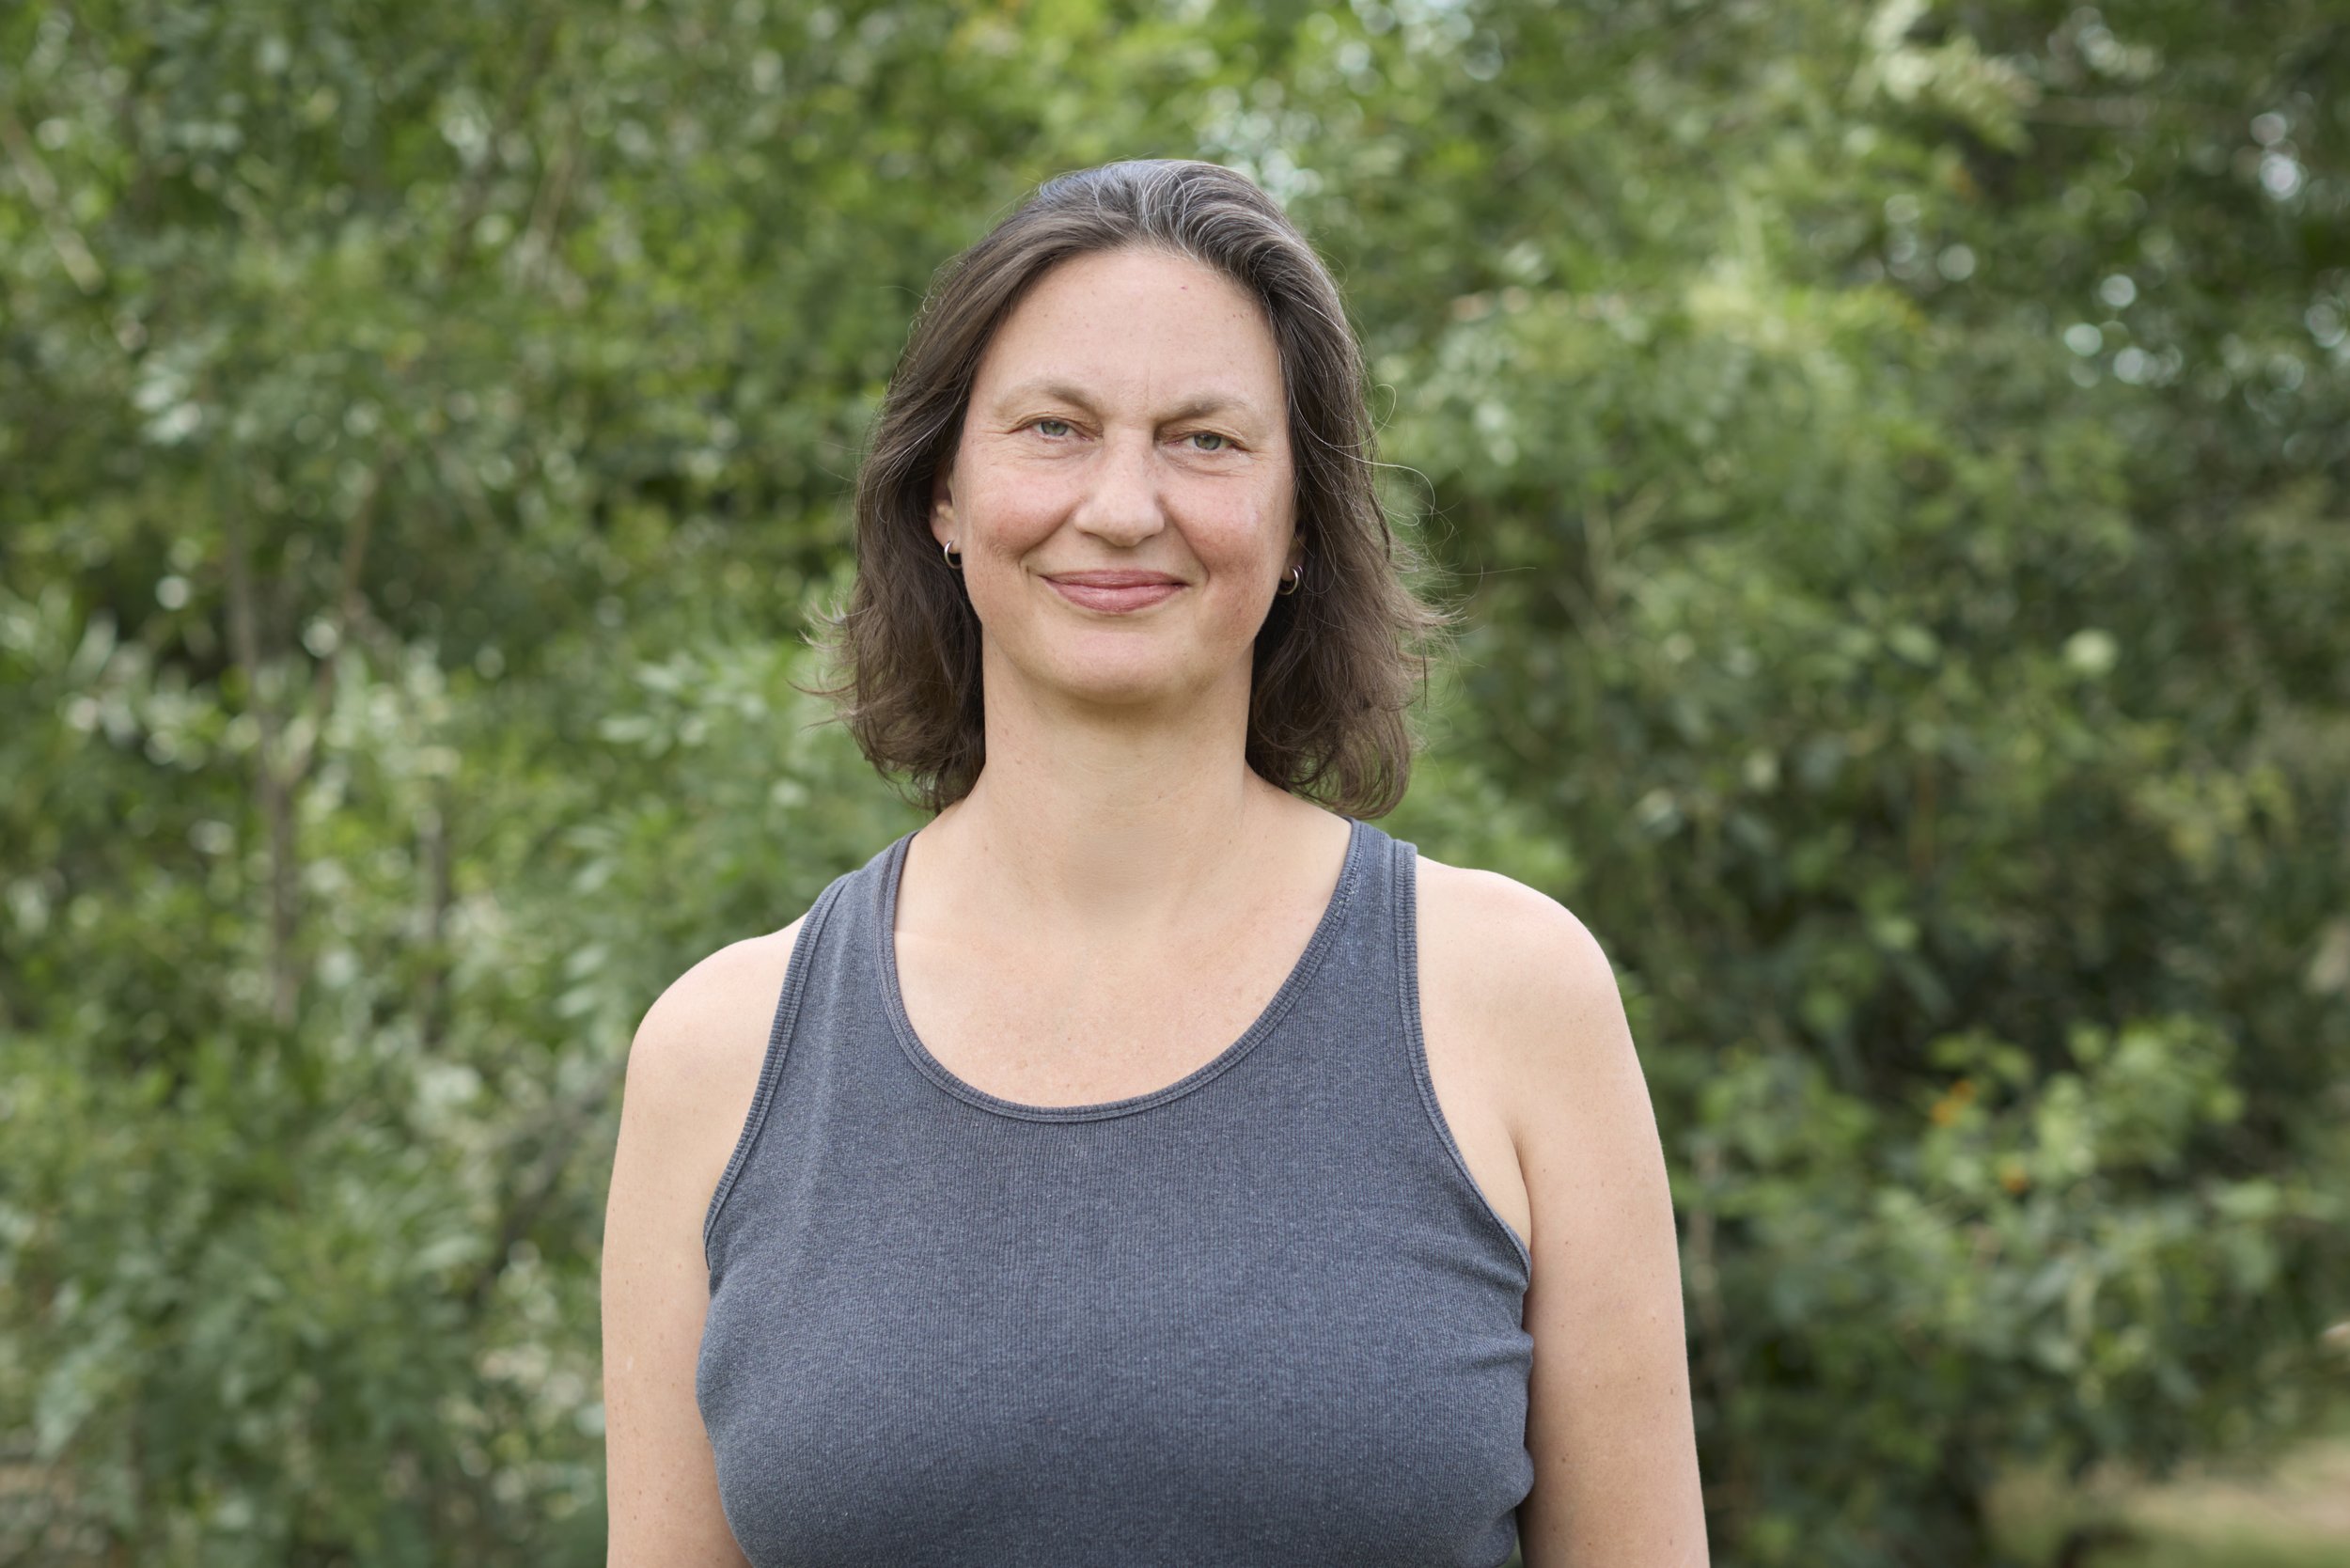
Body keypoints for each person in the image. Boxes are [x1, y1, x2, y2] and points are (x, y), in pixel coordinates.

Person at [600, 159, 1706, 1567]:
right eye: (1054, 429)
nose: (1123, 507)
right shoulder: (717, 1055)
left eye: (1205, 441)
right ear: (942, 492)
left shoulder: (1512, 997)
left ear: (1302, 522)